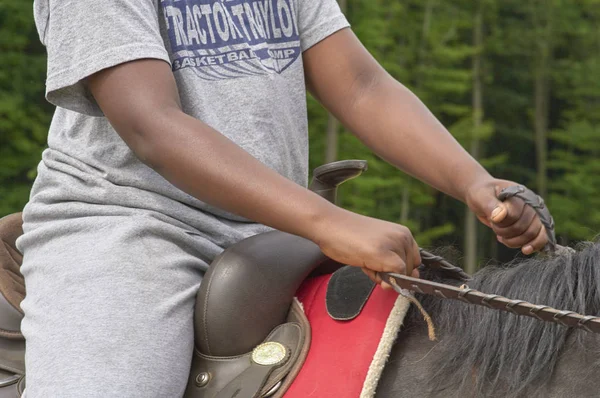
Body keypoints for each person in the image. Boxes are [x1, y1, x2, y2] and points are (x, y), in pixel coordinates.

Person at [18, 0, 548, 396]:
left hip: (274, 230)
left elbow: (360, 84)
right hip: (131, 225)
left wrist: (471, 180)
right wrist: (327, 222)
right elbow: (150, 122)